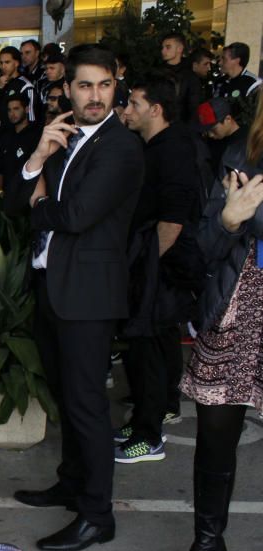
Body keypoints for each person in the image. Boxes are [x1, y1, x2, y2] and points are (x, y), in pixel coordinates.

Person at [9, 44, 145, 551]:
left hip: (88, 296)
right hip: (53, 288)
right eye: (84, 85)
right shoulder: (63, 140)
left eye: (104, 85)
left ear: (117, 86)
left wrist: (42, 201)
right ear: (67, 88)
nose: (94, 95)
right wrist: (39, 156)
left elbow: (74, 216)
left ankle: (97, 515)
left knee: (87, 404)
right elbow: (11, 202)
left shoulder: (120, 147)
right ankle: (71, 483)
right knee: (68, 398)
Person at [157, 93, 263, 551]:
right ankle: (207, 543)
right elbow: (205, 243)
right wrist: (229, 219)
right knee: (215, 435)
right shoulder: (243, 154)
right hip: (243, 303)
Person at [118, 76, 206, 463]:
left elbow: (172, 220)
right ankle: (151, 413)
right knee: (156, 344)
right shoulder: (155, 146)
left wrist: (145, 266)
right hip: (156, 264)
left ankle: (148, 435)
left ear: (156, 109)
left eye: (135, 103)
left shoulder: (172, 149)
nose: (127, 110)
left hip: (162, 267)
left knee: (147, 349)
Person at [0, 94, 43, 215]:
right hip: (8, 199)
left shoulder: (37, 134)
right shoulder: (5, 136)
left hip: (29, 199)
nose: (12, 113)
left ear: (27, 109)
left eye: (16, 109)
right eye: (9, 110)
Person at [0, 46, 40, 129]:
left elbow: (32, 118)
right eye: (1, 63)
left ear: (16, 63)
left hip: (20, 136)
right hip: (3, 135)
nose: (3, 66)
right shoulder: (2, 84)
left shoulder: (25, 86)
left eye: (7, 62)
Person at [160, 32, 204, 124]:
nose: (163, 51)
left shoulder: (190, 77)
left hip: (181, 128)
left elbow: (194, 108)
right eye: (162, 47)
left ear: (179, 49)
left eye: (168, 47)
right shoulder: (157, 73)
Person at [197, 98, 246, 174]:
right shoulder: (210, 142)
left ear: (228, 119)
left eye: (213, 129)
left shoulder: (248, 140)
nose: (210, 134)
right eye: (207, 130)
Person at [218, 42, 262, 126]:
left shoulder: (254, 84)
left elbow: (256, 118)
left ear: (237, 60)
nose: (220, 62)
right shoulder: (219, 82)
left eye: (224, 59)